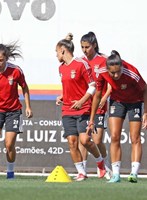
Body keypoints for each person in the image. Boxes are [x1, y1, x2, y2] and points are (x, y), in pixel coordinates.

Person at [87, 50, 147, 183]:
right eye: (112, 73)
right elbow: (97, 95)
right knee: (114, 136)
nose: (115, 75)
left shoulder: (131, 72)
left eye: (118, 72)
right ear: (107, 69)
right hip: (117, 102)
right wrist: (91, 119)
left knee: (135, 137)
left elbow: (145, 90)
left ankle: (134, 173)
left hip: (135, 102)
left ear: (122, 67)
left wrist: (146, 112)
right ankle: (116, 174)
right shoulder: (102, 72)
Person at [55, 33, 106, 181]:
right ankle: (81, 172)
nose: (56, 54)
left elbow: (92, 87)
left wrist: (82, 101)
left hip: (83, 109)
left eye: (57, 51)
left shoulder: (81, 64)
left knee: (85, 140)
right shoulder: (61, 68)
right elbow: (70, 87)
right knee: (72, 141)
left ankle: (100, 162)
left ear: (63, 51)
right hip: (67, 110)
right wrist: (62, 96)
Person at [0, 43, 33, 179]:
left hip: (13, 111)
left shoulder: (16, 71)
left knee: (9, 144)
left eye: (0, 60)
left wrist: (28, 106)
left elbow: (25, 88)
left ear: (6, 58)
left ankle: (10, 172)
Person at [79, 31, 112, 178]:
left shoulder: (103, 61)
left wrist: (104, 97)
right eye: (82, 47)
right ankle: (82, 170)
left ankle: (105, 166)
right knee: (83, 138)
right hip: (85, 106)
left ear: (94, 45)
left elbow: (112, 83)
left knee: (97, 140)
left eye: (87, 47)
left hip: (99, 106)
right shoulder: (81, 62)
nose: (85, 50)